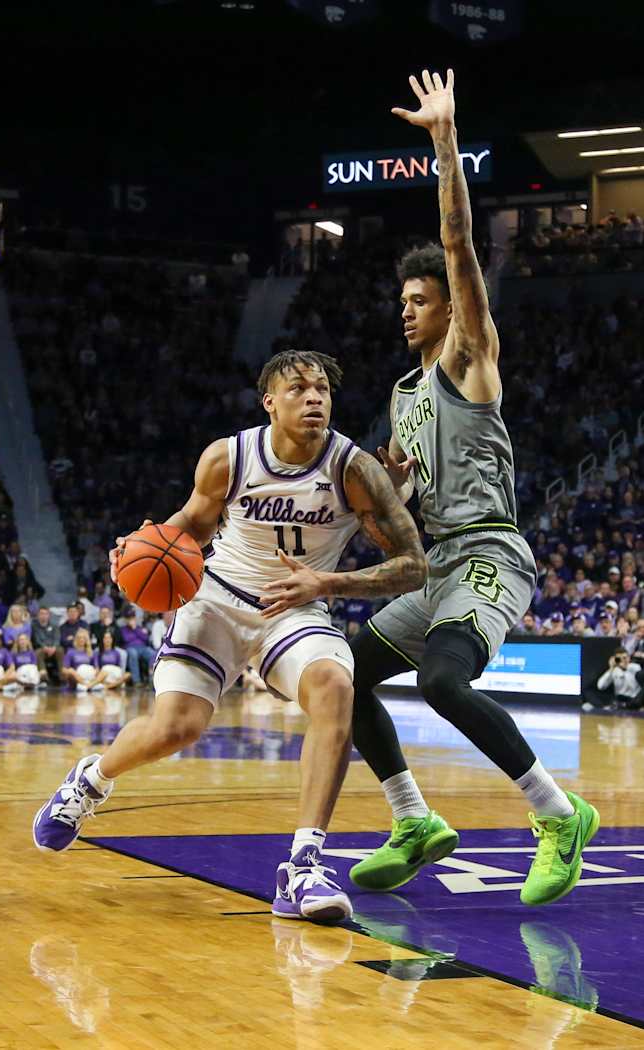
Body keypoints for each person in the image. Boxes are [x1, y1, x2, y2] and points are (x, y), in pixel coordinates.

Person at [32, 349, 427, 925]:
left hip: (294, 608)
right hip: (217, 599)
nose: (314, 398)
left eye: (322, 389)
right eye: (299, 389)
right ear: (270, 402)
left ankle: (303, 865)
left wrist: (328, 581)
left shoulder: (354, 469)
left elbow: (413, 564)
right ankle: (90, 781)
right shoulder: (229, 457)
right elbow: (191, 523)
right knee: (178, 727)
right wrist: (143, 546)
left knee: (335, 689)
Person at [348, 69, 598, 908]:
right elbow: (396, 525)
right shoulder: (401, 395)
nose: (410, 310)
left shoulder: (469, 355)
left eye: (423, 300)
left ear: (453, 309)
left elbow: (458, 245)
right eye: (404, 300)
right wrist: (390, 502)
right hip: (436, 564)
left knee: (442, 684)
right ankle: (413, 819)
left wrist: (443, 140)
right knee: (340, 674)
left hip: (492, 551)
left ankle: (559, 815)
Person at [120, 610, 156, 685]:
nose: (130, 620)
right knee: (133, 653)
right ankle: (136, 681)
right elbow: (126, 639)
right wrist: (135, 631)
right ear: (125, 619)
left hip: (142, 647)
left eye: (132, 617)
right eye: (128, 618)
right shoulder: (123, 629)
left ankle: (152, 680)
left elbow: (145, 638)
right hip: (130, 648)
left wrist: (135, 629)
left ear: (135, 618)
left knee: (153, 654)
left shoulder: (139, 628)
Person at [61, 628, 100, 692]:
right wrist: (73, 673)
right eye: (79, 638)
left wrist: (95, 672)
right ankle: (86, 684)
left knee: (102, 671)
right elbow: (64, 669)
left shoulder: (92, 652)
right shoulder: (70, 652)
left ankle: (89, 684)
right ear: (76, 639)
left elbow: (97, 668)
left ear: (86, 640)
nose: (81, 640)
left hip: (89, 676)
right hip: (76, 678)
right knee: (71, 670)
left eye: (84, 638)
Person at [31, 606, 64, 682]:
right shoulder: (34, 626)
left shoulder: (54, 626)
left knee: (60, 650)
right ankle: (43, 675)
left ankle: (62, 675)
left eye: (46, 614)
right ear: (38, 615)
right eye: (41, 613)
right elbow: (36, 639)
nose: (44, 616)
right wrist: (44, 647)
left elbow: (57, 638)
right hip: (41, 648)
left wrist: (54, 647)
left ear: (49, 615)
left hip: (54, 648)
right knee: (38, 653)